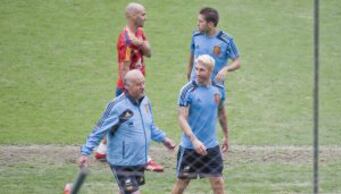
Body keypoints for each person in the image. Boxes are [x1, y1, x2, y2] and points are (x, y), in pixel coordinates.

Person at [79, 70, 176, 194]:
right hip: (121, 162)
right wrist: (85, 152)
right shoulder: (117, 106)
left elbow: (149, 126)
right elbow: (99, 130)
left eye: (143, 83)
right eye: (138, 84)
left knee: (125, 192)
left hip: (138, 159)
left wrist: (163, 139)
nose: (142, 87)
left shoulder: (145, 102)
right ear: (126, 86)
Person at [95, 2, 164, 172]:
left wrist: (139, 43)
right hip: (130, 88)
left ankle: (102, 150)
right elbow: (124, 68)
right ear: (133, 16)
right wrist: (130, 93)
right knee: (138, 123)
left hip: (135, 86)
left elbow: (149, 52)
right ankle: (144, 158)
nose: (145, 17)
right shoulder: (125, 40)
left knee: (118, 120)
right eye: (142, 14)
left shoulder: (138, 33)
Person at [172, 55, 228, 194]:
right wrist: (194, 140)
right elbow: (182, 118)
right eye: (196, 69)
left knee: (218, 182)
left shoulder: (218, 89)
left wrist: (226, 136)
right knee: (181, 185)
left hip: (211, 145)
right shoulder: (187, 90)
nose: (197, 73)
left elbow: (221, 112)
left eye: (201, 70)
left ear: (210, 71)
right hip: (190, 147)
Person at [186, 7, 240, 145]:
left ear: (210, 24)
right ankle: (192, 140)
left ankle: (226, 138)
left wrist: (227, 68)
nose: (197, 24)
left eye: (201, 21)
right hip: (196, 82)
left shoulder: (226, 40)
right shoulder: (196, 36)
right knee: (191, 111)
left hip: (215, 85)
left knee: (220, 111)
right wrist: (189, 74)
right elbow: (192, 56)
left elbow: (237, 62)